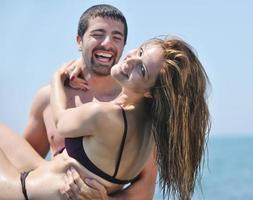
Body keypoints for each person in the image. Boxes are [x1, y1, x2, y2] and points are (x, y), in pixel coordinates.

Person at [50, 36, 211, 200]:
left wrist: (57, 78)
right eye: (140, 51)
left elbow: (60, 121)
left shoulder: (104, 114)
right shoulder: (148, 128)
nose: (131, 59)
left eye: (141, 70)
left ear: (150, 92)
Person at [23, 4, 157, 199]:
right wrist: (58, 177)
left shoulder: (136, 109)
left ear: (123, 46)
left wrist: (101, 198)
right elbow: (25, 166)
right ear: (79, 40)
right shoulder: (48, 98)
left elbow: (146, 187)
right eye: (98, 34)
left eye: (117, 37)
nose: (107, 43)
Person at [0, 123, 108, 200]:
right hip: (38, 187)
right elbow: (26, 170)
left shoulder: (119, 108)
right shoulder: (46, 100)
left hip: (31, 190)